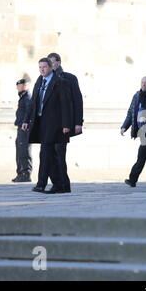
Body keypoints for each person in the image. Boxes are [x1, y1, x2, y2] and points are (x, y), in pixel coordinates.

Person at [22, 58, 72, 194]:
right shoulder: (39, 81)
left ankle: (45, 184)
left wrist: (67, 125)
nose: (42, 69)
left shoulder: (61, 82)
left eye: (44, 67)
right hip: (41, 124)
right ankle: (55, 185)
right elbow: (33, 102)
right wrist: (26, 120)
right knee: (46, 155)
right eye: (40, 67)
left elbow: (65, 105)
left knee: (47, 155)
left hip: (55, 125)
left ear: (51, 67)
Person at [47, 53, 84, 193]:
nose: (50, 65)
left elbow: (77, 101)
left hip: (64, 124)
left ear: (58, 62)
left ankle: (62, 185)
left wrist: (78, 122)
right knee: (49, 154)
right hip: (49, 125)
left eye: (52, 62)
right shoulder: (45, 79)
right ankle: (59, 184)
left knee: (59, 153)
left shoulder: (69, 78)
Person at [12, 79, 32, 183]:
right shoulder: (23, 97)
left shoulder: (27, 97)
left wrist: (25, 122)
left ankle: (25, 173)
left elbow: (29, 112)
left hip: (25, 127)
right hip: (21, 126)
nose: (18, 88)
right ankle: (20, 173)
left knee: (24, 150)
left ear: (24, 86)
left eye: (19, 86)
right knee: (20, 150)